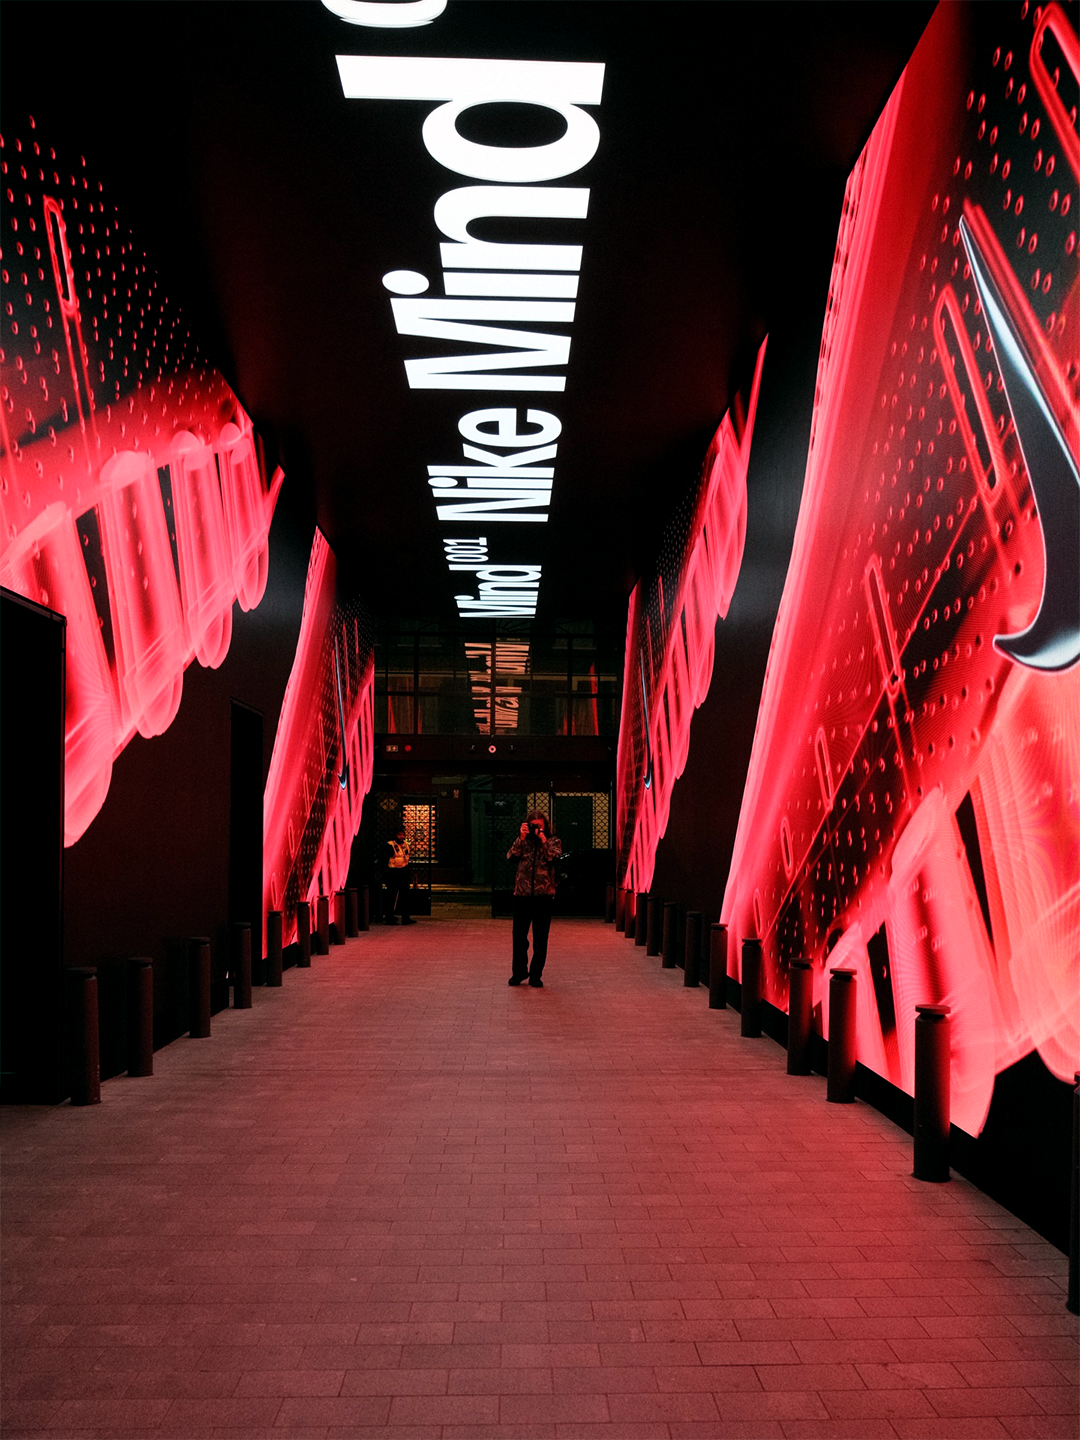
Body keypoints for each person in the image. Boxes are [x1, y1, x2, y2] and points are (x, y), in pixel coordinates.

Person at [506, 810, 561, 986]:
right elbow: (510, 857)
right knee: (519, 937)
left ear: (546, 826)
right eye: (533, 826)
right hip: (522, 895)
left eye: (540, 826)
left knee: (541, 938)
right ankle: (519, 972)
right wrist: (521, 838)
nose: (536, 829)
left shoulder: (553, 841)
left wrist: (543, 838)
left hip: (543, 897)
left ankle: (536, 975)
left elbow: (554, 857)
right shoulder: (524, 842)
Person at [383, 827, 416, 924]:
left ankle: (406, 918)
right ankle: (389, 917)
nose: (401, 837)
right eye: (399, 834)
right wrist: (386, 873)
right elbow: (384, 860)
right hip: (393, 872)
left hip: (403, 871)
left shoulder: (405, 845)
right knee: (392, 895)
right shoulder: (389, 845)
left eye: (402, 835)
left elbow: (406, 857)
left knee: (405, 895)